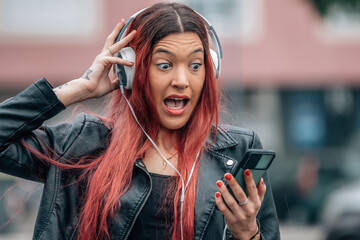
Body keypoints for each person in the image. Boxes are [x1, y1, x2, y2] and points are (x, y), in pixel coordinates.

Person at [0, 2, 280, 240]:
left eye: (196, 66)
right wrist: (78, 88)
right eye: (165, 65)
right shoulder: (81, 143)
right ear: (132, 72)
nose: (182, 81)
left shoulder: (238, 151)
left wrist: (249, 234)